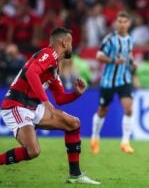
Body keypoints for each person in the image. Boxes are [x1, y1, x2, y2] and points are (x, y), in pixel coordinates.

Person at [0, 27, 100, 185]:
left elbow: (60, 98)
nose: (72, 48)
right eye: (71, 43)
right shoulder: (49, 53)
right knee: (33, 151)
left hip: (33, 106)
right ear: (64, 42)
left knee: (73, 124)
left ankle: (75, 175)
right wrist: (46, 102)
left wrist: (76, 93)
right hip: (17, 105)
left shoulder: (55, 66)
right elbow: (31, 73)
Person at [91, 12, 135, 154]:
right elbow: (99, 55)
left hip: (124, 80)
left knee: (128, 109)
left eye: (125, 21)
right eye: (120, 21)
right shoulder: (110, 39)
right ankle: (95, 137)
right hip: (108, 81)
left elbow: (129, 55)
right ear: (116, 23)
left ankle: (125, 142)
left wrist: (133, 63)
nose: (122, 24)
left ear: (129, 23)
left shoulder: (130, 40)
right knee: (102, 111)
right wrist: (113, 61)